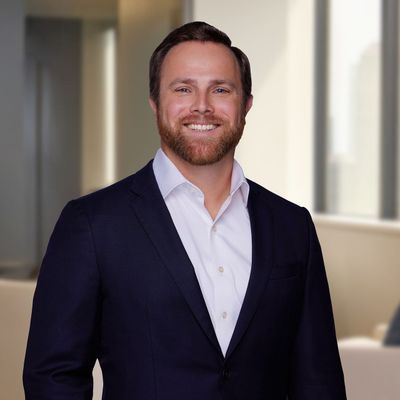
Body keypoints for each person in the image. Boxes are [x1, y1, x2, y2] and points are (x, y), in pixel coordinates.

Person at [23, 21, 347, 399]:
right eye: (183, 89)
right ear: (155, 103)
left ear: (246, 105)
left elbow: (318, 380)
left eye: (221, 89)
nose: (202, 106)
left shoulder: (293, 226)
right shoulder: (92, 224)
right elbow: (54, 376)